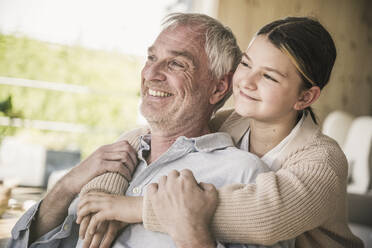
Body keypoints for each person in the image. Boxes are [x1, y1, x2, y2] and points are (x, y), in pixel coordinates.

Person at [8, 13, 293, 248]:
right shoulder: (114, 159)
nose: (151, 74)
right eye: (151, 58)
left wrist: (192, 232)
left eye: (177, 64)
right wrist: (69, 183)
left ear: (218, 88)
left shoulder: (243, 174)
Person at [76, 17, 364, 248]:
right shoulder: (233, 121)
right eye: (246, 64)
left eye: (268, 76)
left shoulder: (323, 159)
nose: (245, 82)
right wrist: (110, 184)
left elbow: (263, 217)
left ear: (305, 98)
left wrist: (129, 208)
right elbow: (148, 135)